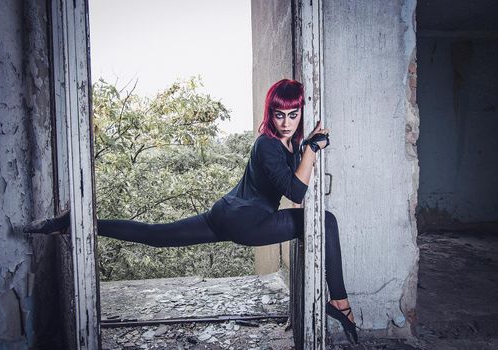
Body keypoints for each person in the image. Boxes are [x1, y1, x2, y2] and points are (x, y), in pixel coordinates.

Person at [24, 79, 358, 344]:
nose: (285, 122)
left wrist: (305, 147)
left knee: (156, 235)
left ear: (301, 113)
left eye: (293, 114)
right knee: (324, 221)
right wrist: (312, 149)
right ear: (270, 114)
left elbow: (293, 182)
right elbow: (297, 193)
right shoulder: (268, 144)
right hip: (250, 223)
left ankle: (76, 223)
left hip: (226, 213)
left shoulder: (288, 144)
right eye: (279, 115)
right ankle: (339, 302)